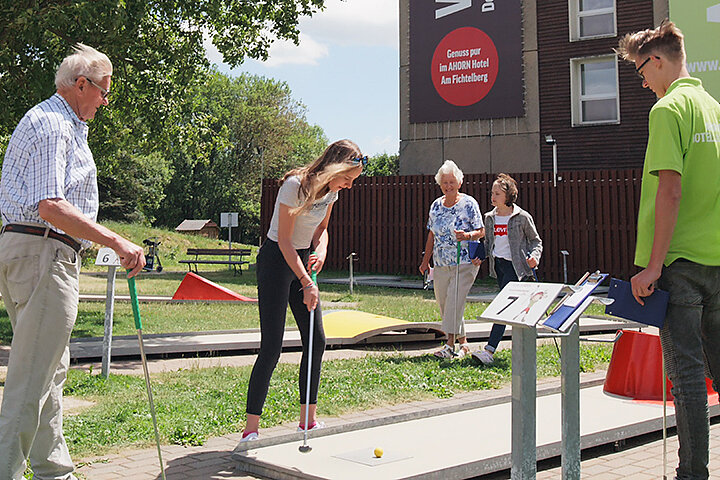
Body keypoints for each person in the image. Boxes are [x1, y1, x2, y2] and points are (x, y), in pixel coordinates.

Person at [0, 44, 146, 480]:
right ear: (80, 84)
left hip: (29, 251)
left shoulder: (58, 123)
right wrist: (116, 240)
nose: (105, 100)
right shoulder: (54, 123)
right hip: (45, 249)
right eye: (103, 89)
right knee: (30, 378)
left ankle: (53, 470)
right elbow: (51, 205)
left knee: (49, 369)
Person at [618, 21, 720, 480]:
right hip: (718, 261)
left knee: (688, 381)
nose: (642, 82)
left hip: (680, 266)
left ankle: (692, 474)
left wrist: (652, 266)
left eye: (640, 71)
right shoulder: (714, 109)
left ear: (657, 60)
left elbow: (670, 192)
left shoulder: (668, 110)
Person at [241, 139, 365, 442]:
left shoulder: (332, 192)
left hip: (301, 262)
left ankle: (307, 422)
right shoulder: (294, 187)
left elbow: (321, 231)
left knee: (316, 340)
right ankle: (250, 430)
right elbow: (283, 240)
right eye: (347, 179)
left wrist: (321, 250)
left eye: (352, 182)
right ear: (334, 167)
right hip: (275, 260)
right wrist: (307, 283)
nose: (348, 186)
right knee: (272, 345)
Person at [472, 173, 542, 365]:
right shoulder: (490, 218)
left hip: (517, 268)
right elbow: (489, 243)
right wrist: (481, 257)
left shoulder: (521, 217)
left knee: (504, 307)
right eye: (492, 193)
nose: (492, 197)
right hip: (500, 267)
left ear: (509, 196)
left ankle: (489, 350)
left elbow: (536, 241)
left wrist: (534, 258)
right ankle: (527, 348)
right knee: (515, 309)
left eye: (497, 193)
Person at [419, 160, 484, 359]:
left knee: (454, 302)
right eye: (445, 182)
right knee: (446, 304)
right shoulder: (436, 206)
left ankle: (449, 345)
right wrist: (425, 260)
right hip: (440, 263)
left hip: (465, 262)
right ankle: (463, 344)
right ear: (440, 184)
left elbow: (482, 231)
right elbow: (431, 234)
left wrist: (467, 236)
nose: (449, 186)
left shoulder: (469, 203)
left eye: (452, 182)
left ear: (459, 183)